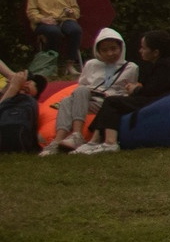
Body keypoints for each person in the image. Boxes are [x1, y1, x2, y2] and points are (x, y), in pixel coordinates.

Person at [77, 31, 170, 154]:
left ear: (155, 52)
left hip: (162, 101)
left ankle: (109, 142)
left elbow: (153, 90)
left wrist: (136, 89)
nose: (140, 51)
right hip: (160, 98)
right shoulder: (162, 64)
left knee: (113, 102)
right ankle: (94, 140)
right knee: (116, 102)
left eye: (144, 48)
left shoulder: (165, 66)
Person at [42, 27, 137, 155]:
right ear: (98, 51)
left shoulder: (131, 67)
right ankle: (57, 141)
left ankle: (77, 135)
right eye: (105, 50)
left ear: (121, 47)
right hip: (89, 99)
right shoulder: (92, 64)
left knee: (80, 92)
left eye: (113, 49)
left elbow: (127, 91)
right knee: (67, 99)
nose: (110, 53)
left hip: (108, 103)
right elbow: (83, 84)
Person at [25, 0, 83, 79]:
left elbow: (76, 10)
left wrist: (71, 12)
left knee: (75, 30)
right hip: (45, 21)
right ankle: (51, 65)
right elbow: (31, 11)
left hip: (64, 19)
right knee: (53, 32)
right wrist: (42, 19)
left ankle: (70, 64)